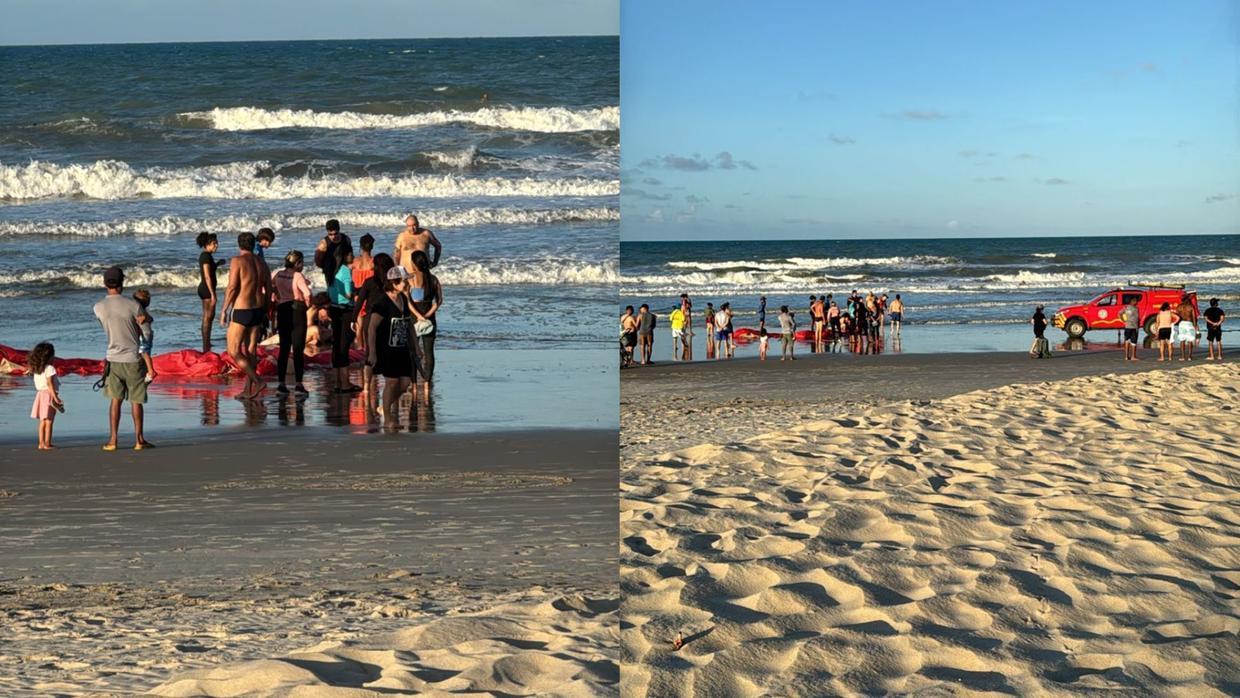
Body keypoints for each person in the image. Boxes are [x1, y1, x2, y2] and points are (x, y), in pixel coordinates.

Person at [94, 266, 151, 450]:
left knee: (115, 400)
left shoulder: (98, 307)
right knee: (136, 400)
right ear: (122, 283)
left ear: (105, 283)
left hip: (112, 358)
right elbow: (146, 334)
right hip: (133, 358)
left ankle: (113, 440)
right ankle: (139, 440)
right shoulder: (134, 306)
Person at [220, 232, 270, 400]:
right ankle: (248, 390)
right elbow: (268, 289)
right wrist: (266, 311)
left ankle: (257, 381)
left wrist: (224, 310)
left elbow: (233, 287)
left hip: (243, 310)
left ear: (239, 245)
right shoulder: (262, 262)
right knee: (250, 351)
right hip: (258, 309)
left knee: (233, 351)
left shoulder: (237, 261)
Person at [366, 267, 415, 428]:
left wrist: (416, 346)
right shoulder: (382, 302)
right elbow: (372, 327)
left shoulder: (403, 299)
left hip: (402, 347)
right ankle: (388, 418)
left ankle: (383, 407)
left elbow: (409, 324)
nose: (406, 283)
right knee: (392, 382)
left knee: (405, 383)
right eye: (403, 280)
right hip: (386, 348)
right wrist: (372, 353)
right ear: (394, 282)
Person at [352, 253, 396, 395]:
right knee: (388, 353)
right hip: (388, 319)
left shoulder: (369, 282)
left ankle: (366, 386)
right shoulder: (392, 283)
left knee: (370, 354)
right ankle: (390, 383)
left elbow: (359, 302)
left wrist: (353, 320)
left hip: (370, 319)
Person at [272, 250, 313, 394]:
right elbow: (307, 294)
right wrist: (308, 304)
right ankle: (299, 384)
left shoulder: (278, 273)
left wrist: (276, 297)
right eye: (301, 263)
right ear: (297, 263)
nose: (302, 266)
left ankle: (281, 383)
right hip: (296, 311)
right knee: (297, 349)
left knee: (283, 348)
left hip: (282, 310)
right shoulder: (297, 276)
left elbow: (270, 287)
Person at [407, 250, 442, 398]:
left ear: (414, 264)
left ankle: (414, 384)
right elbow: (439, 301)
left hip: (414, 319)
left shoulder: (410, 279)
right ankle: (427, 383)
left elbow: (408, 302)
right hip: (429, 318)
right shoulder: (433, 279)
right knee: (429, 352)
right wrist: (427, 315)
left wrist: (418, 316)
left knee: (413, 352)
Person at [327, 246, 360, 392]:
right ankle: (345, 383)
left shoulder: (330, 271)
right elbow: (347, 294)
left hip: (334, 308)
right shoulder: (346, 271)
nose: (353, 255)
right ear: (346, 256)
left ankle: (336, 382)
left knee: (336, 345)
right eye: (351, 253)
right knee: (344, 345)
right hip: (346, 309)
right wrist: (355, 291)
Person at [28, 342, 63, 450]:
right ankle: (47, 443)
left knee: (42, 420)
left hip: (39, 394)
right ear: (49, 356)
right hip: (48, 395)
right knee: (49, 420)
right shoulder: (50, 368)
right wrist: (55, 397)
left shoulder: (37, 369)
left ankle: (41, 443)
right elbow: (50, 384)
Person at [196, 232, 219, 353]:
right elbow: (207, 276)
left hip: (206, 288)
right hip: (206, 289)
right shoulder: (205, 256)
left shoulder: (208, 256)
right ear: (207, 245)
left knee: (209, 316)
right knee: (207, 317)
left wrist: (218, 264)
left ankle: (207, 341)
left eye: (216, 243)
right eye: (214, 244)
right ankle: (206, 343)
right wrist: (213, 294)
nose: (216, 246)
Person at [315, 219, 354, 288]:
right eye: (330, 234)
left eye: (335, 234)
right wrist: (326, 268)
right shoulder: (323, 244)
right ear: (327, 232)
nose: (333, 237)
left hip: (344, 272)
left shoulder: (346, 239)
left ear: (339, 230)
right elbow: (318, 261)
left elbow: (350, 257)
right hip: (330, 274)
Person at [132, 289, 157, 383]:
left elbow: (144, 318)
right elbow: (151, 318)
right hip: (148, 333)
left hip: (144, 333)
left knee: (143, 352)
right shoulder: (143, 310)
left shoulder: (139, 310)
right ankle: (147, 369)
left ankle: (151, 371)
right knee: (145, 352)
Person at [1175, 294, 1198, 361]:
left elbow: (1177, 317)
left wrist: (1177, 325)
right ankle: (1189, 356)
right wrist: (1195, 325)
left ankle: (1182, 356)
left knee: (1182, 340)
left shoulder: (1179, 307)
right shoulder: (1190, 307)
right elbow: (1194, 317)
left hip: (1182, 323)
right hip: (1189, 323)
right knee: (1190, 340)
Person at [1119, 295, 1141, 361]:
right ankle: (1130, 356)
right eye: (1135, 301)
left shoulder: (1129, 308)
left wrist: (1123, 320)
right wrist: (1123, 320)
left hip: (1131, 326)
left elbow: (1120, 313)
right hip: (1131, 327)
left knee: (1129, 341)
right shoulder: (1131, 308)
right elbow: (1120, 313)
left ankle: (1129, 356)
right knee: (1131, 342)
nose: (1136, 302)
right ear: (1132, 301)